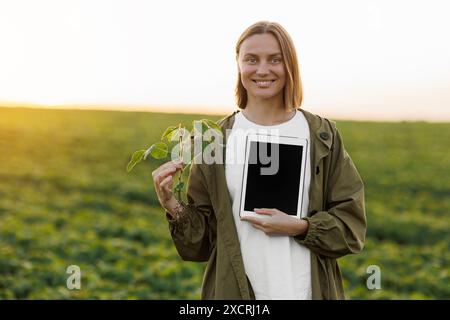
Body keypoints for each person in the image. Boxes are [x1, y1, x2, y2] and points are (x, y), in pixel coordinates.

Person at [151, 21, 366, 300]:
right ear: (239, 64)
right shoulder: (214, 139)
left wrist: (300, 227)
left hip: (305, 291)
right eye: (251, 59)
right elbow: (200, 245)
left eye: (275, 59)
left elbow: (351, 228)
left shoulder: (322, 135)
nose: (262, 70)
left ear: (290, 65)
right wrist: (172, 204)